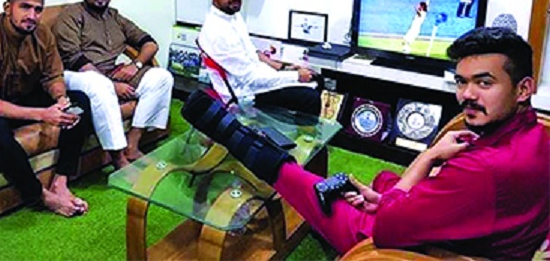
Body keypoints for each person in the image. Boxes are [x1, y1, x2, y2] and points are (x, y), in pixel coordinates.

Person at [181, 26, 549, 260]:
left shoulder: (484, 169)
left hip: (428, 250)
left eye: (484, 83)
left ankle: (241, 142)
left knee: (308, 187)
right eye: (461, 81)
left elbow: (387, 227)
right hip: (474, 230)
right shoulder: (536, 136)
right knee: (382, 180)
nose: (466, 95)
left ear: (523, 89)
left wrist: (428, 158)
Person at [0, 0, 91, 217]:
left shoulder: (42, 34)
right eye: (25, 7)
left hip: (21, 95)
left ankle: (61, 181)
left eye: (38, 9)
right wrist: (42, 114)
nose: (32, 16)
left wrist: (60, 98)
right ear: (8, 8)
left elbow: (53, 75)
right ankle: (41, 196)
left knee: (79, 102)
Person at [52, 0, 173, 166]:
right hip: (77, 76)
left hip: (110, 72)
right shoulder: (71, 15)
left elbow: (150, 43)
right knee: (100, 85)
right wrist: (112, 85)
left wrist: (135, 65)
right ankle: (118, 158)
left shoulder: (114, 16)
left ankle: (132, 144)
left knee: (162, 77)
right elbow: (74, 58)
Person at [198, 0, 321, 115]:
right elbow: (250, 79)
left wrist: (282, 67)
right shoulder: (217, 32)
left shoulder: (232, 16)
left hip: (257, 77)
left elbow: (251, 51)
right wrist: (296, 76)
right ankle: (291, 130)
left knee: (316, 78)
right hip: (246, 94)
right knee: (310, 97)